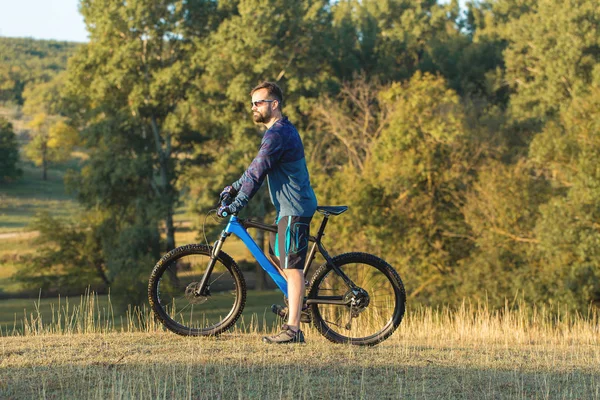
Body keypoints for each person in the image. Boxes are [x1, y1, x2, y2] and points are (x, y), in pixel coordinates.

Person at [217, 81, 317, 344]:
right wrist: (232, 187)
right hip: (287, 207)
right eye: (252, 103)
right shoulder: (275, 133)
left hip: (295, 208)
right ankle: (300, 304)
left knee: (292, 268)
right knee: (276, 254)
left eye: (258, 102)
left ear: (274, 104)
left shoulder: (278, 135)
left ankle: (293, 329)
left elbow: (257, 175)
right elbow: (253, 169)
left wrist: (236, 204)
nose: (254, 107)